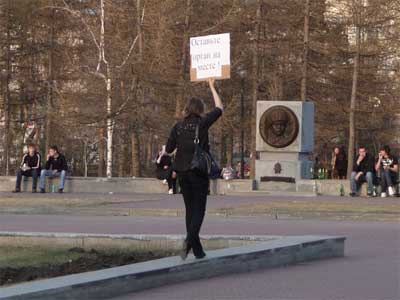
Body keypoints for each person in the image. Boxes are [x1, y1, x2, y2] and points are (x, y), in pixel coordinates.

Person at [164, 78, 223, 260]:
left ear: (186, 109)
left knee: (190, 210)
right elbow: (220, 108)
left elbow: (168, 149)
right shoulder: (203, 122)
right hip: (198, 172)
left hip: (182, 172)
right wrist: (212, 86)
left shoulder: (178, 126)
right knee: (200, 210)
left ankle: (197, 251)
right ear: (200, 110)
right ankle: (189, 240)